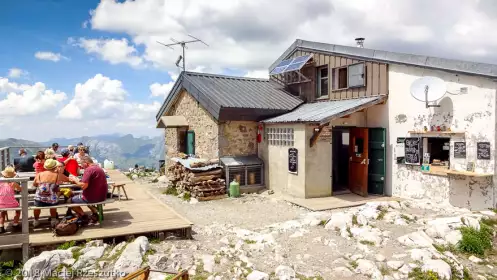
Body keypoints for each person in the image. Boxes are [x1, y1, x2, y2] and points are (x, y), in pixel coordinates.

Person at [32, 159, 75, 227]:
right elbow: (69, 179)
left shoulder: (39, 174)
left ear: (45, 167)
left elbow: (34, 184)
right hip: (51, 199)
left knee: (37, 207)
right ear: (55, 167)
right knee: (53, 203)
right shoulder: (58, 175)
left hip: (39, 198)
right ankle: (53, 220)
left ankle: (36, 220)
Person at [69, 156, 107, 223]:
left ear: (86, 163)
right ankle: (95, 212)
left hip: (91, 198)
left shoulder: (88, 170)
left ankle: (83, 216)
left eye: (81, 164)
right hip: (102, 196)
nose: (81, 166)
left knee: (70, 201)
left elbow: (83, 186)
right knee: (82, 195)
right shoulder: (99, 168)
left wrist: (75, 180)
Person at [0, 166, 21, 233]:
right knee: (18, 210)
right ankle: (15, 223)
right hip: (12, 203)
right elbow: (20, 189)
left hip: (1, 203)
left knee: (2, 212)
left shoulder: (0, 182)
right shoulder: (13, 183)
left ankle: (1, 226)